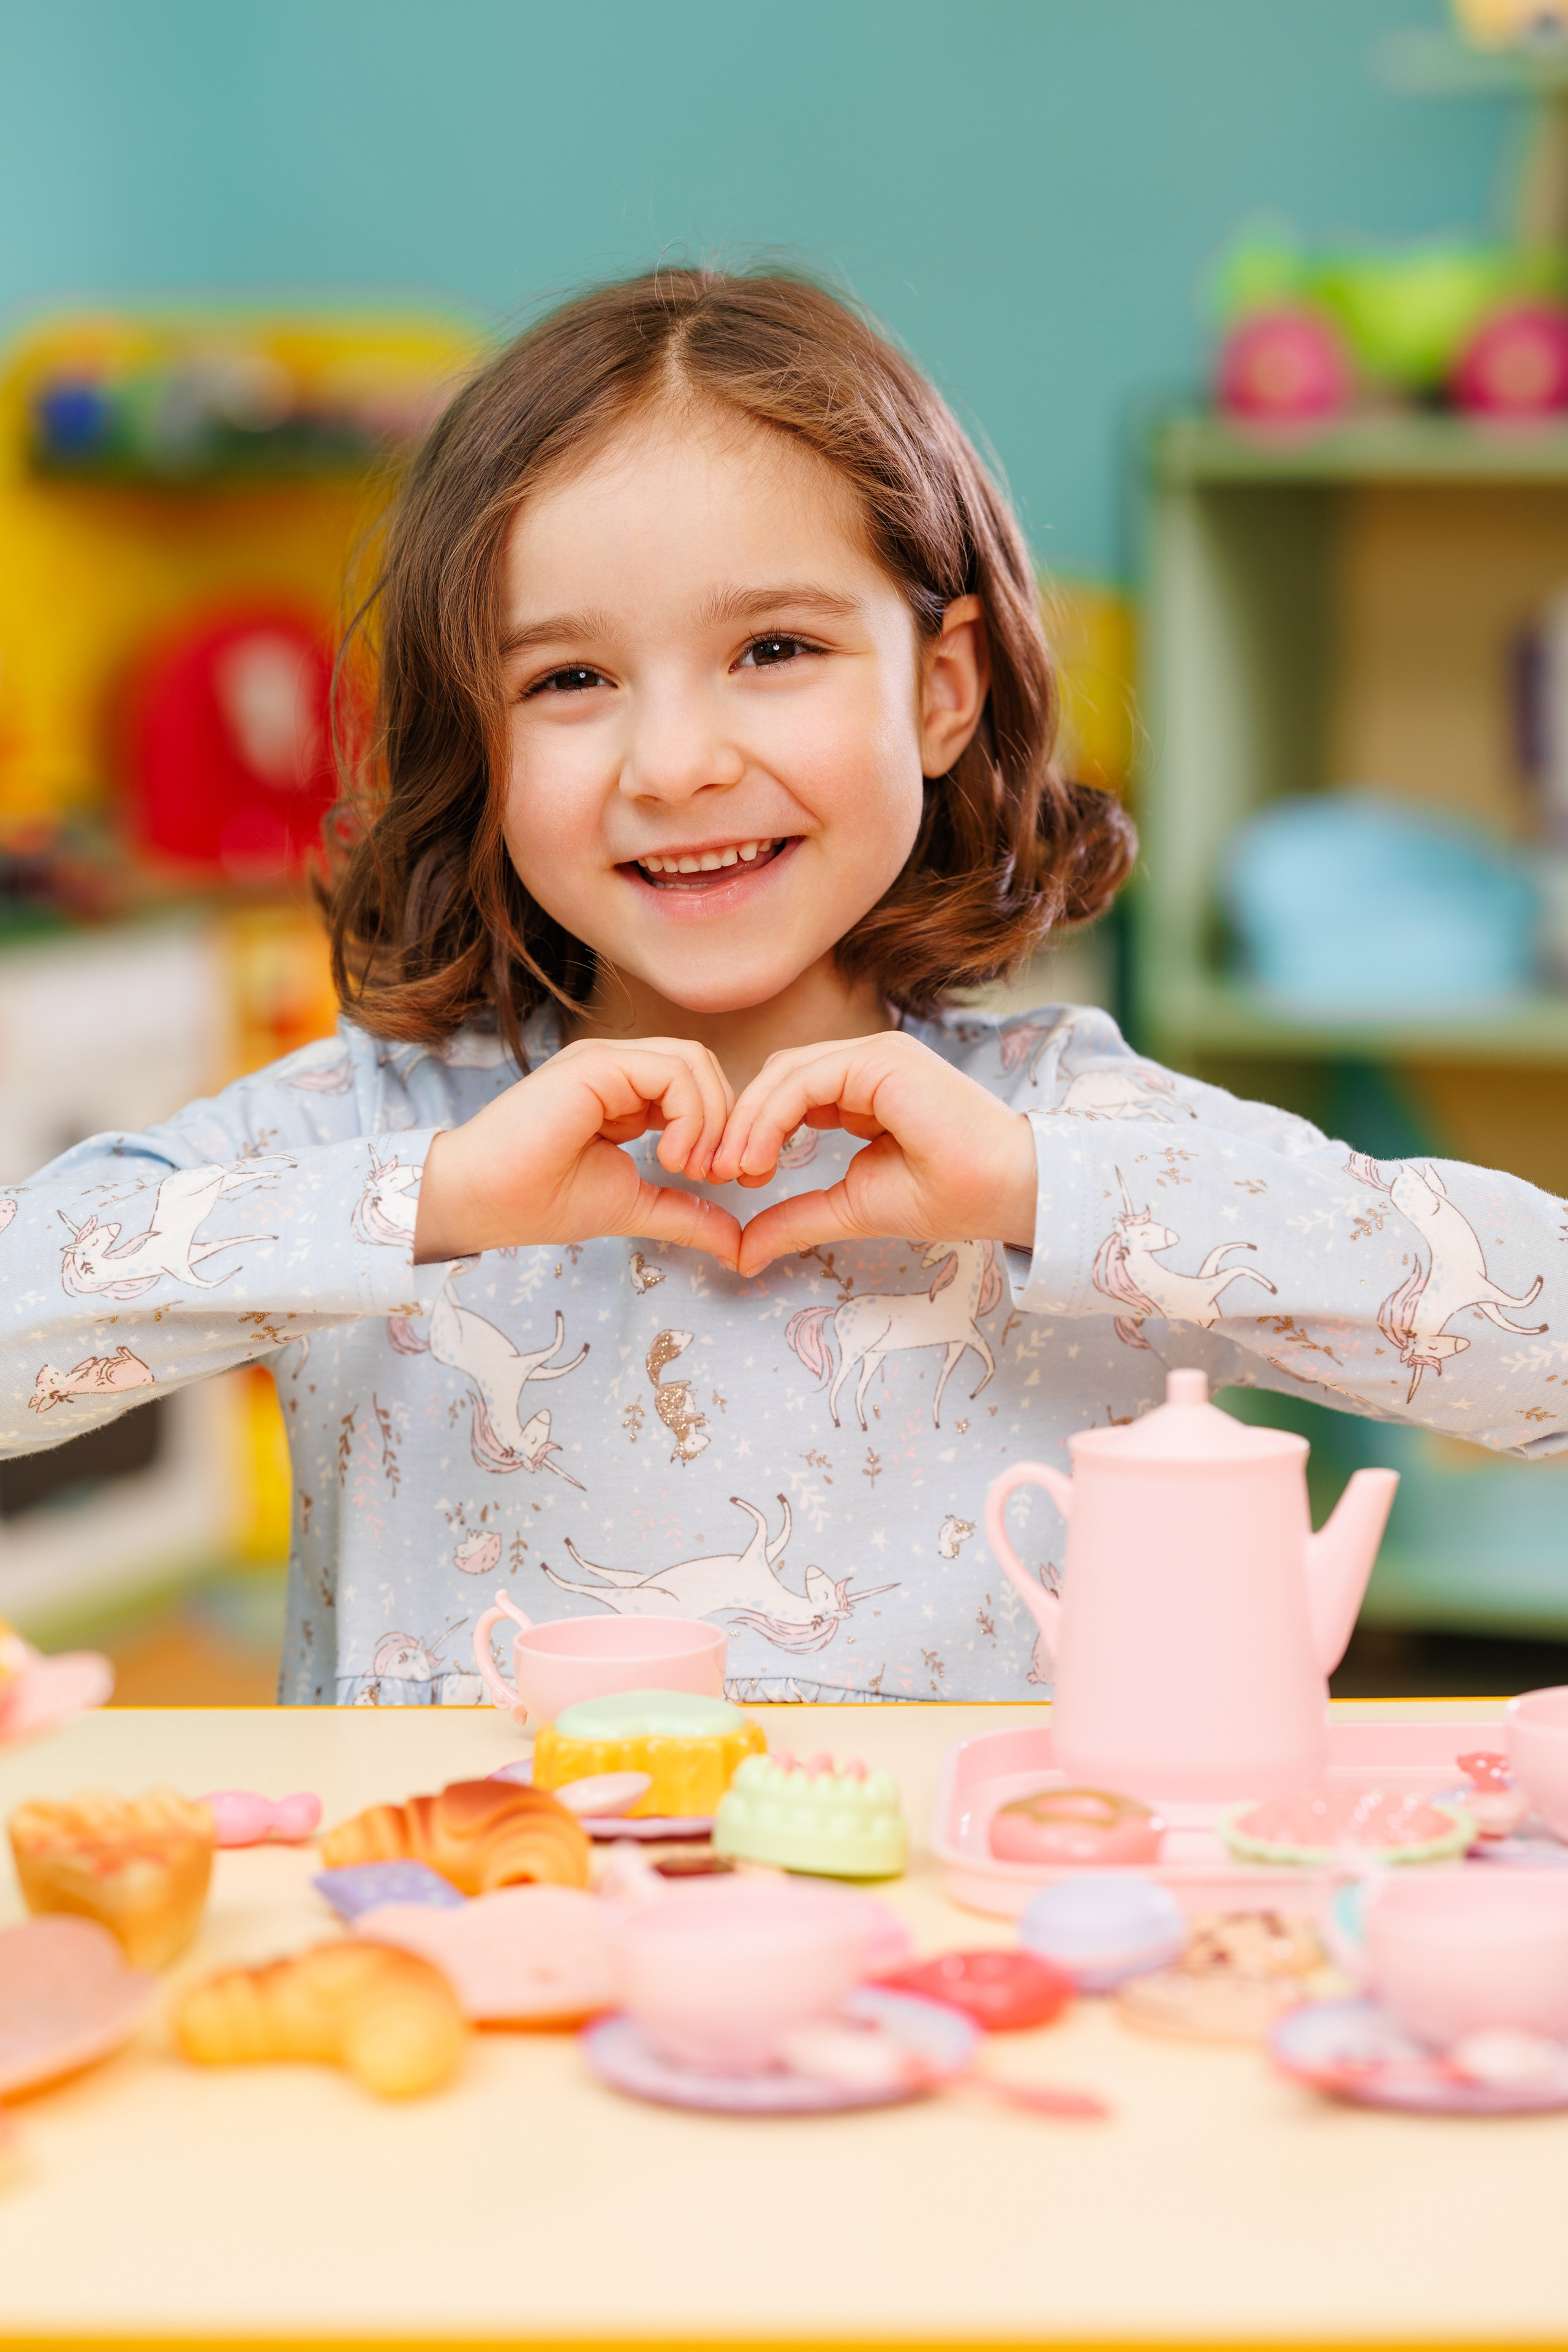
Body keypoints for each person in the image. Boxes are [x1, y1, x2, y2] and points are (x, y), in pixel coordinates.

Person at [2, 268, 1562, 1706]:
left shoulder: (1067, 1129)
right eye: (568, 679)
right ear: (476, 740)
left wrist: (1045, 1191)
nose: (675, 763)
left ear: (939, 689)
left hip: (981, 1926)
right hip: (463, 1915)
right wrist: (430, 1202)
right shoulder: (378, 1129)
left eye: (773, 649)